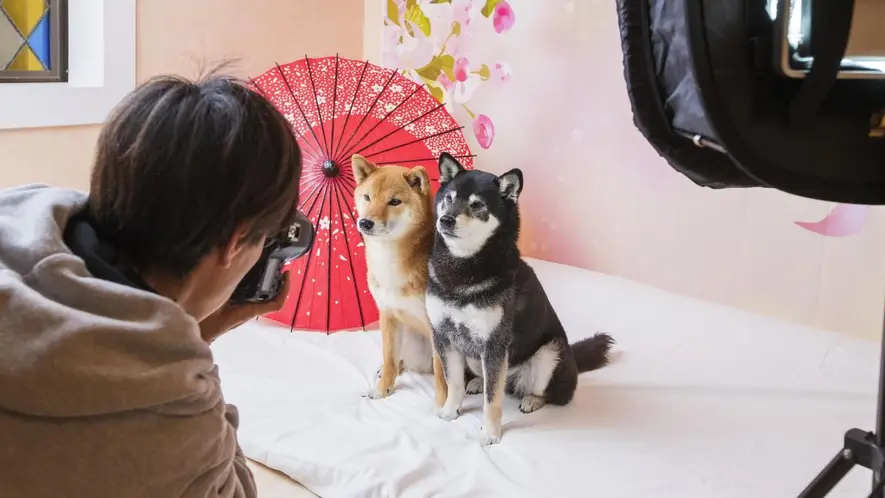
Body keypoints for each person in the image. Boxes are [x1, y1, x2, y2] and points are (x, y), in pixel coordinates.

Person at [0, 70, 302, 497]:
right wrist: (193, 347)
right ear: (236, 242)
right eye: (263, 241)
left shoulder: (17, 208)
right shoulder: (173, 418)